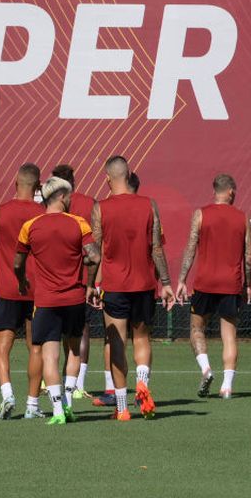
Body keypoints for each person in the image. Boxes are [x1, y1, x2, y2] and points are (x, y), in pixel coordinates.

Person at [89, 156, 175, 421]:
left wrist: (91, 283)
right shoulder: (149, 205)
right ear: (129, 175)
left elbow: (94, 252)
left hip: (115, 285)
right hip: (144, 284)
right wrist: (167, 283)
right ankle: (143, 384)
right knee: (141, 339)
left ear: (107, 178)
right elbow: (156, 247)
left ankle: (123, 407)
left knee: (117, 342)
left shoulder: (100, 208)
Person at [14, 177, 99, 425]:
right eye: (69, 196)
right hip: (74, 297)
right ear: (61, 196)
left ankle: (57, 410)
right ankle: (69, 404)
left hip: (46, 300)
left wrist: (21, 280)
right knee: (73, 350)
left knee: (49, 356)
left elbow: (17, 262)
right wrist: (82, 272)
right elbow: (94, 256)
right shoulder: (78, 223)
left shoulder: (30, 226)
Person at [175, 174, 251, 399]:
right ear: (230, 192)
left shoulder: (201, 214)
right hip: (231, 284)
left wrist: (181, 279)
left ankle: (206, 368)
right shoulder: (242, 217)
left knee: (196, 329)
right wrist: (247, 284)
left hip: (205, 283)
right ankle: (227, 387)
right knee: (229, 335)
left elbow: (190, 248)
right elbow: (248, 256)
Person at [0, 163, 44, 419]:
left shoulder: (1, 212)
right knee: (37, 348)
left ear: (14, 182)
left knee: (2, 346)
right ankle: (32, 405)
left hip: (7, 288)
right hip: (37, 291)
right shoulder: (43, 214)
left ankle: (7, 395)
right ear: (38, 187)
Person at [51, 164, 97, 401]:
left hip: (52, 278)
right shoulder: (90, 203)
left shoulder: (47, 206)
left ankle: (52, 382)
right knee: (81, 330)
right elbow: (97, 243)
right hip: (81, 277)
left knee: (52, 331)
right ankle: (78, 383)